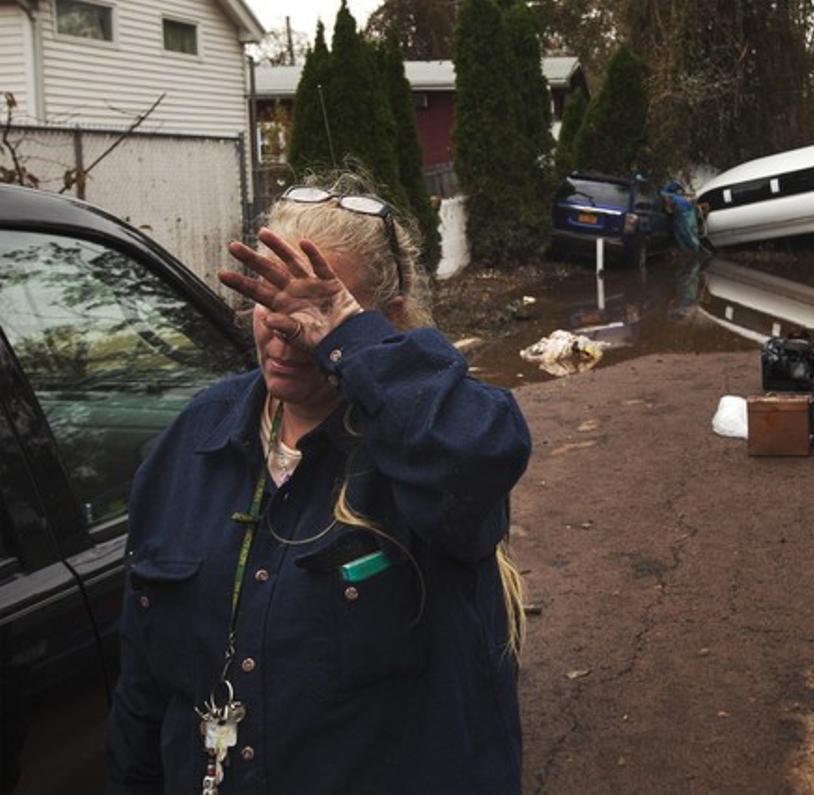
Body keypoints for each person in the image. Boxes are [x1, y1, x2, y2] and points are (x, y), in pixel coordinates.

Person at [106, 173, 532, 794]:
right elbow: (142, 686)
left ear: (382, 323)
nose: (283, 328)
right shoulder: (193, 441)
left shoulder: (421, 447)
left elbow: (484, 452)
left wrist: (347, 338)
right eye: (271, 298)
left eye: (313, 309)